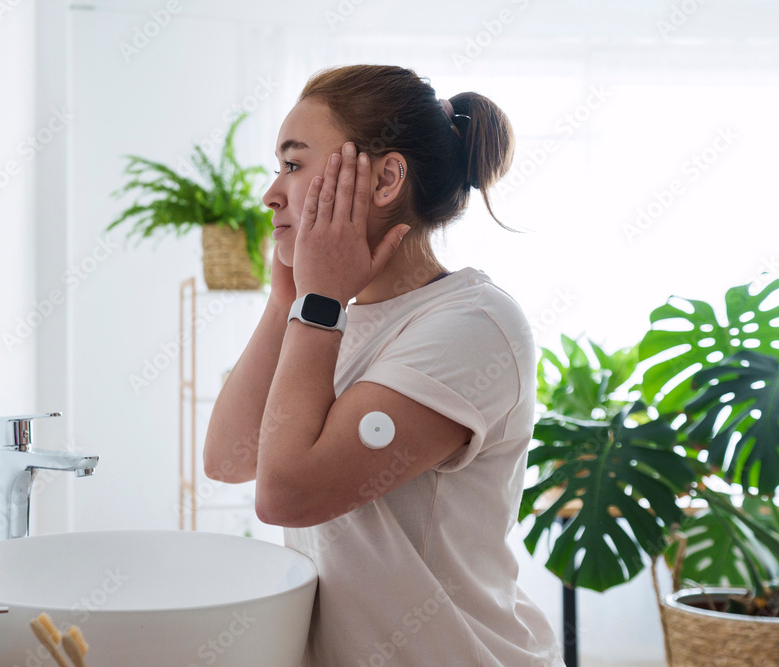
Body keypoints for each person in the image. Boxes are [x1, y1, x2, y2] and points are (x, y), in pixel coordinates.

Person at [203, 64, 564, 666]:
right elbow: (230, 459)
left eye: (293, 165)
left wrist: (316, 304)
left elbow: (286, 495)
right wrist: (287, 299)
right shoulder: (327, 316)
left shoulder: (473, 327)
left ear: (386, 178)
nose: (270, 192)